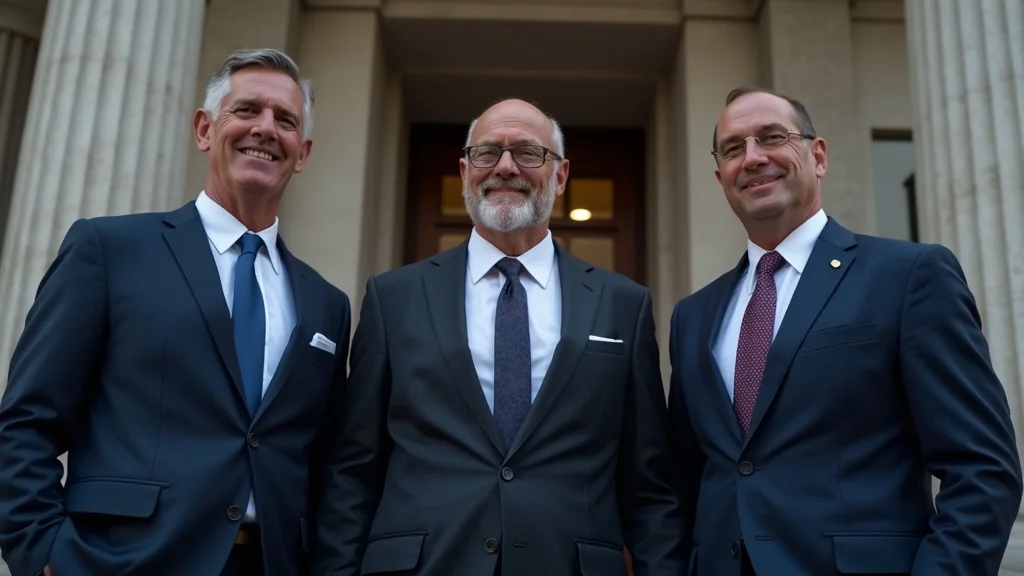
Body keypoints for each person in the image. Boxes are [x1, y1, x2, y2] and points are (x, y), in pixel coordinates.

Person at [0, 48, 351, 576]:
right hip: (120, 561)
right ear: (204, 128)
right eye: (247, 110)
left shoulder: (328, 303)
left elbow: (326, 461)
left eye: (284, 120)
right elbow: (27, 420)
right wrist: (42, 552)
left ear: (301, 153)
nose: (264, 128)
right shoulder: (109, 249)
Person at [312, 98, 685, 575]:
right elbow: (352, 473)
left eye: (528, 152)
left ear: (562, 175)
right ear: (466, 169)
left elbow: (650, 488)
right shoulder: (394, 298)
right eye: (488, 153)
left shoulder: (623, 305)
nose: (505, 167)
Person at [667, 86, 1023, 576]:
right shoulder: (694, 315)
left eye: (772, 137)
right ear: (720, 176)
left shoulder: (909, 276)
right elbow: (687, 480)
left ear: (818, 156)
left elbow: (983, 469)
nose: (752, 158)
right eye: (733, 149)